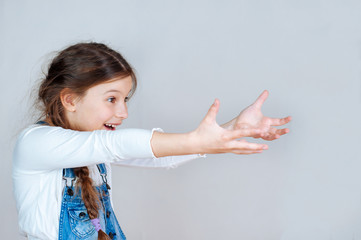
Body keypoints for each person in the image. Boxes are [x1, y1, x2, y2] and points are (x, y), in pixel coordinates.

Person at [12, 42, 291, 240]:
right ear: (70, 99)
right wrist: (198, 140)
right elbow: (117, 145)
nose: (123, 113)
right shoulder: (36, 143)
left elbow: (162, 156)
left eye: (125, 99)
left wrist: (233, 128)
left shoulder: (92, 145)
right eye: (111, 99)